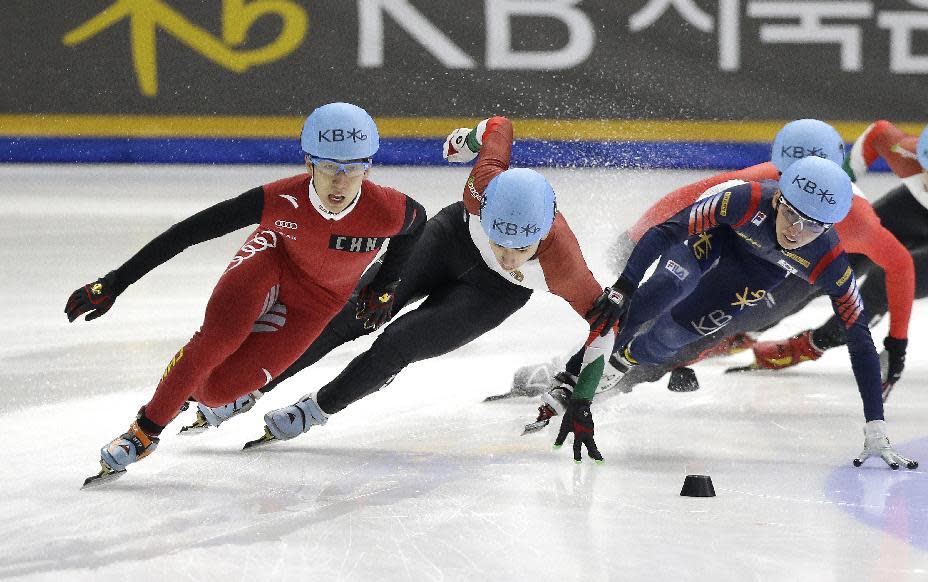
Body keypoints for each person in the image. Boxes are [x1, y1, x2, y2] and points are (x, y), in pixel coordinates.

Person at [66, 102, 427, 486]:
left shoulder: (389, 209)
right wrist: (115, 282)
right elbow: (190, 232)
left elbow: (415, 228)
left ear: (367, 168)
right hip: (272, 259)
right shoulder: (280, 199)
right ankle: (144, 431)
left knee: (216, 391)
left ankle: (191, 388)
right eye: (328, 168)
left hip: (318, 303)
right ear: (308, 164)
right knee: (219, 340)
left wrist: (385, 286)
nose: (340, 182)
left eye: (352, 169)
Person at [223, 115, 619, 464]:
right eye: (499, 241)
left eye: (521, 250)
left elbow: (605, 327)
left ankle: (314, 410)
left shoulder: (564, 265)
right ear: (483, 207)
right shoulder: (483, 183)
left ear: (544, 234)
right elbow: (499, 126)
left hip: (492, 294)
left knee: (399, 343)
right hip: (450, 238)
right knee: (353, 311)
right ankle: (255, 382)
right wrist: (464, 140)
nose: (507, 257)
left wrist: (583, 397)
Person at [538, 155, 918, 470]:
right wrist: (624, 286)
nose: (796, 232)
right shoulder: (745, 197)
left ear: (831, 227)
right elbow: (667, 230)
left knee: (673, 336)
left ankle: (619, 365)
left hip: (756, 272)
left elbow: (860, 337)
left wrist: (875, 425)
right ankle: (575, 369)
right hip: (718, 235)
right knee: (659, 291)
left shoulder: (831, 260)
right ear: (777, 200)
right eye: (792, 216)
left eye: (813, 227)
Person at [500, 119, 914, 403]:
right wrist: (640, 235)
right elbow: (694, 197)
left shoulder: (856, 224)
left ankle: (615, 379)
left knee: (698, 331)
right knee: (665, 292)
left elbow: (900, 265)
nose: (788, 204)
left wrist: (897, 341)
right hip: (737, 248)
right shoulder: (765, 179)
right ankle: (577, 366)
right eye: (787, 186)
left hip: (791, 277)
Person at [733, 121, 928, 400]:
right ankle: (752, 325)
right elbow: (878, 132)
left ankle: (809, 345)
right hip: (911, 210)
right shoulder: (905, 152)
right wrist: (844, 181)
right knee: (833, 264)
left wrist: (897, 345)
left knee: (882, 285)